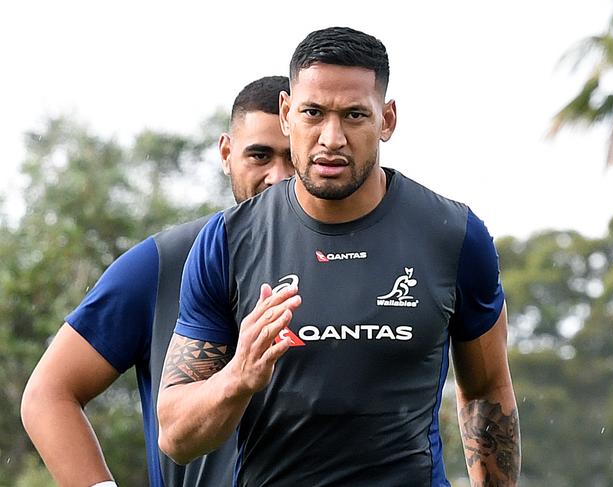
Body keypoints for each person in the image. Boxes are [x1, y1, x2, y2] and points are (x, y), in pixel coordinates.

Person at [158, 27, 521, 487]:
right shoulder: (227, 241)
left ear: (386, 120)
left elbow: (487, 391)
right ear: (287, 113)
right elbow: (175, 436)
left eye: (354, 115)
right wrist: (239, 376)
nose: (332, 138)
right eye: (313, 113)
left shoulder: (455, 235)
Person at [20, 75, 293, 487]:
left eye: (293, 157)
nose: (279, 176)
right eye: (260, 156)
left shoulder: (368, 258)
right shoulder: (163, 262)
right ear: (226, 153)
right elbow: (48, 394)